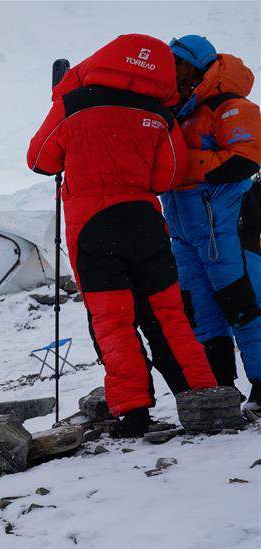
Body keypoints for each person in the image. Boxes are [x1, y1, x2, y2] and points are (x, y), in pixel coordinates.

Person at [27, 33, 219, 438]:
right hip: (144, 222)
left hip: (93, 226)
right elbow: (166, 177)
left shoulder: (73, 103)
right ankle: (201, 396)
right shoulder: (159, 113)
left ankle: (133, 414)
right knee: (169, 316)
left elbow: (40, 160)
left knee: (114, 323)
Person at [160, 35, 261, 418]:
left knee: (245, 305)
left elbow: (246, 158)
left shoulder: (230, 106)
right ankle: (221, 390)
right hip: (186, 231)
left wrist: (182, 167)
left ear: (197, 66)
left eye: (178, 62)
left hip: (228, 226)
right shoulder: (179, 112)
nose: (171, 70)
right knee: (201, 312)